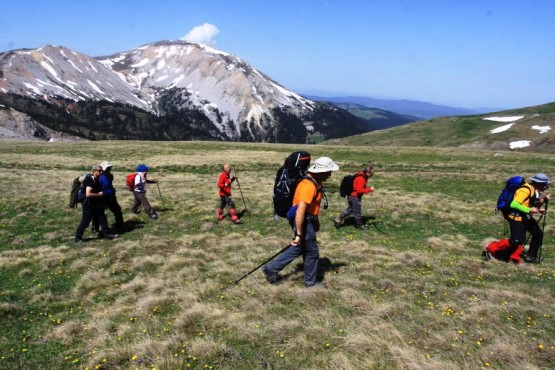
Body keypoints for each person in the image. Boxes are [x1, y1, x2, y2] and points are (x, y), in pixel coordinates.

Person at [263, 157, 339, 287]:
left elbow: (311, 207)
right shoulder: (308, 186)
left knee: (300, 248)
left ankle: (271, 269)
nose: (330, 174)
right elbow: (300, 211)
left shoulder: (314, 181)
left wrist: (315, 221)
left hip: (307, 220)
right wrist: (299, 234)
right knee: (311, 252)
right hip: (303, 221)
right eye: (329, 171)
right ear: (321, 171)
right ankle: (310, 284)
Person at [485, 173, 551, 264]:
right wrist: (529, 210)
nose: (546, 186)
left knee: (537, 234)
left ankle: (529, 256)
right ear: (538, 183)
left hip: (525, 217)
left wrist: (540, 206)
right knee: (516, 241)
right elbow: (514, 204)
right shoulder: (525, 190)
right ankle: (491, 248)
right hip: (516, 217)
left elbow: (532, 204)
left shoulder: (536, 191)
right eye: (545, 184)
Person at [74, 165, 118, 242]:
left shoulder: (97, 179)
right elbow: (88, 194)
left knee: (103, 218)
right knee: (85, 221)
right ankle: (78, 237)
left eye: (101, 170)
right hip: (89, 204)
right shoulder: (89, 180)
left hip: (97, 203)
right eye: (99, 171)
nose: (101, 172)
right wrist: (99, 194)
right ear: (94, 171)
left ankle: (107, 234)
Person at [334, 163, 375, 230]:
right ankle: (359, 225)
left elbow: (358, 187)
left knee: (350, 210)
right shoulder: (361, 178)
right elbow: (359, 190)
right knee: (357, 212)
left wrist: (366, 190)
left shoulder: (361, 173)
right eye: (371, 174)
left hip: (351, 195)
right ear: (368, 172)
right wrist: (369, 189)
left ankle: (338, 219)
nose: (371, 175)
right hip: (355, 197)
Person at [97, 161, 124, 230]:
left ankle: (120, 225)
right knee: (100, 213)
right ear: (103, 169)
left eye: (109, 167)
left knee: (117, 210)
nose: (109, 169)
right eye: (108, 168)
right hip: (104, 196)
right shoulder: (101, 176)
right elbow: (103, 186)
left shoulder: (108, 175)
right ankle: (96, 227)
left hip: (109, 196)